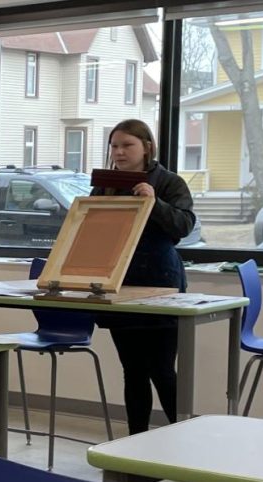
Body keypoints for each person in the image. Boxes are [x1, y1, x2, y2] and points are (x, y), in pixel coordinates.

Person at [91, 119, 195, 435]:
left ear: (146, 147)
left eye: (127, 145)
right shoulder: (105, 184)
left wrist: (153, 202)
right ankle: (135, 443)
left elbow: (183, 227)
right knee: (133, 371)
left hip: (161, 284)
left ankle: (183, 438)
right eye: (114, 146)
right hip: (120, 284)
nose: (119, 152)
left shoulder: (170, 182)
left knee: (162, 370)